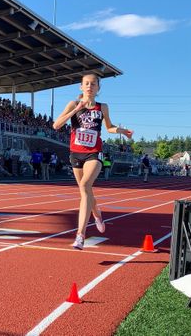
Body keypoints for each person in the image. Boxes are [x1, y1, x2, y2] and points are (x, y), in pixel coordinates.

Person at [53, 73, 133, 250]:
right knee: (86, 191)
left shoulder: (102, 107)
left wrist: (123, 131)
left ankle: (80, 235)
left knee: (85, 185)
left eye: (93, 84)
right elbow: (56, 125)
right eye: (86, 84)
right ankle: (97, 214)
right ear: (81, 87)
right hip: (76, 153)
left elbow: (109, 127)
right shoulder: (73, 104)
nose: (90, 86)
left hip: (94, 153)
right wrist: (76, 110)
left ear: (98, 88)